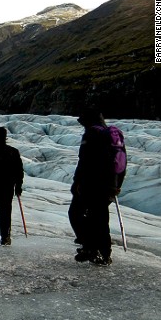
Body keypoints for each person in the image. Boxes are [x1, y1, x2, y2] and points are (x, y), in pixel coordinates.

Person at [69, 111, 124, 266]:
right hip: (109, 185)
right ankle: (105, 254)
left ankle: (90, 248)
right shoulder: (111, 135)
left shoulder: (91, 134)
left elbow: (84, 161)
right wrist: (116, 185)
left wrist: (77, 183)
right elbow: (120, 162)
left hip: (91, 184)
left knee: (75, 213)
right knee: (100, 218)